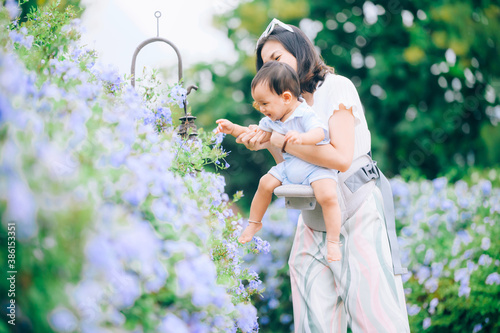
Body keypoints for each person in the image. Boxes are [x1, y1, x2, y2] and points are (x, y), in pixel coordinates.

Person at [234, 18, 411, 332]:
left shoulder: (337, 86)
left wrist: (281, 140)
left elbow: (341, 158)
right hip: (312, 223)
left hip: (357, 214)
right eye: (265, 64)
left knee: (377, 320)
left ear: (299, 51)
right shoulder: (283, 106)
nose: (271, 68)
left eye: (276, 58)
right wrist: (264, 143)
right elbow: (289, 166)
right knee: (312, 324)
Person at [216, 60, 343, 262]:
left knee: (328, 196)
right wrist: (233, 129)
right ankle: (254, 222)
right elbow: (256, 134)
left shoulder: (304, 113)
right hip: (290, 166)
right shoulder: (271, 120)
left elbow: (319, 133)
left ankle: (334, 242)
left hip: (314, 168)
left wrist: (302, 139)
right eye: (258, 103)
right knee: (264, 183)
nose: (261, 108)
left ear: (286, 97)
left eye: (264, 103)